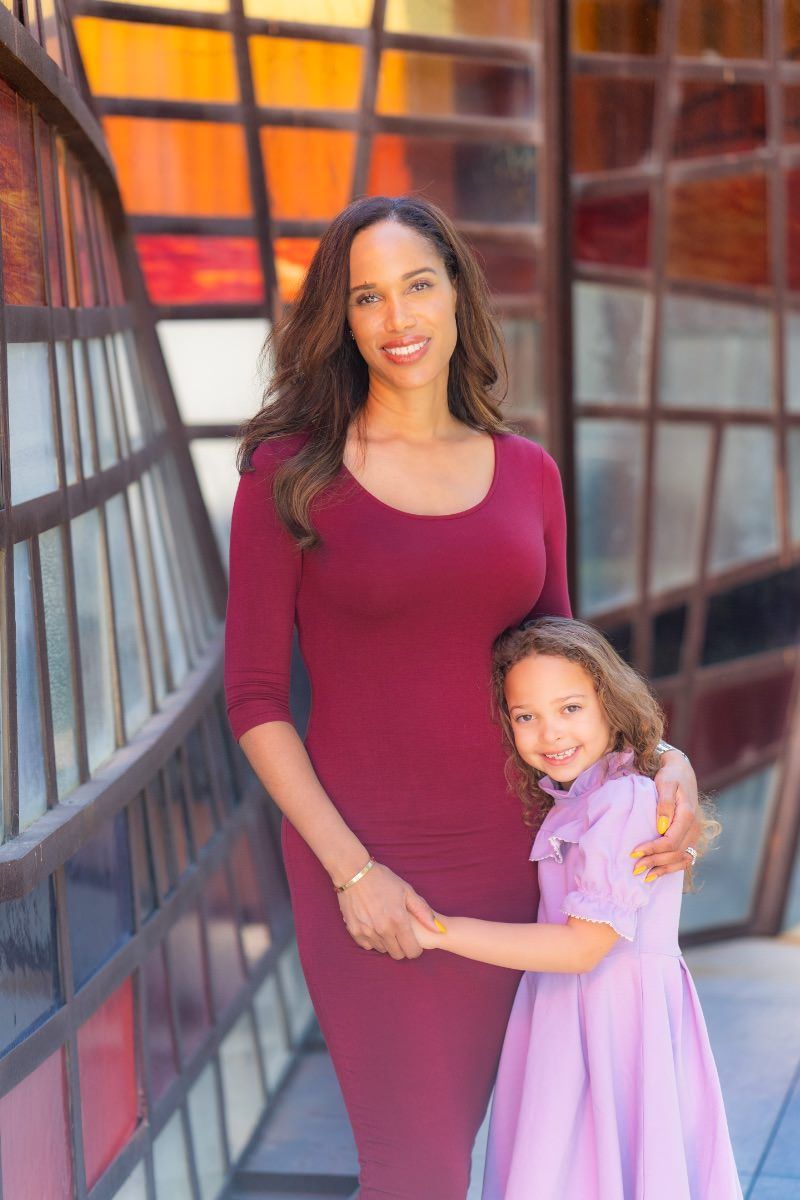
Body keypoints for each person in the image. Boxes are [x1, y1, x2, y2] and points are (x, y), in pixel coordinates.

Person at [224, 194, 702, 1199]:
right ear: (341, 320)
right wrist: (355, 876)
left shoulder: (525, 473)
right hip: (364, 865)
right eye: (366, 296)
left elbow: (571, 680)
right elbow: (255, 698)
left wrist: (667, 761)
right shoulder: (288, 477)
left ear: (454, 296)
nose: (396, 317)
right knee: (417, 1171)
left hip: (521, 868)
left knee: (503, 1156)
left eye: (417, 285)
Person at [411, 616, 741, 1200]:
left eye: (569, 708)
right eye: (525, 716)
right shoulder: (583, 796)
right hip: (575, 1011)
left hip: (612, 1019)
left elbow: (583, 947)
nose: (549, 733)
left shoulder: (625, 800)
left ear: (610, 705)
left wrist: (438, 930)